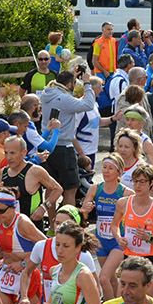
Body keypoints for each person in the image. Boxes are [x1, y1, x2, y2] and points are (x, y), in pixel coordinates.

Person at [105, 164, 153, 299]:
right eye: (135, 181)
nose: (138, 186)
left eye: (142, 182)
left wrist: (149, 238)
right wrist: (119, 238)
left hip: (152, 260)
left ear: (151, 183)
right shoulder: (123, 203)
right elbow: (114, 225)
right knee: (124, 302)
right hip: (130, 259)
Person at [40, 69, 100, 206]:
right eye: (74, 82)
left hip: (48, 146)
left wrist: (72, 74)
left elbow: (70, 102)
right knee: (71, 188)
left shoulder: (47, 93)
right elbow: (89, 105)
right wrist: (87, 83)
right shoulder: (65, 99)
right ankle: (66, 217)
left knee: (52, 186)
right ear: (68, 85)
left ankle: (52, 218)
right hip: (64, 148)